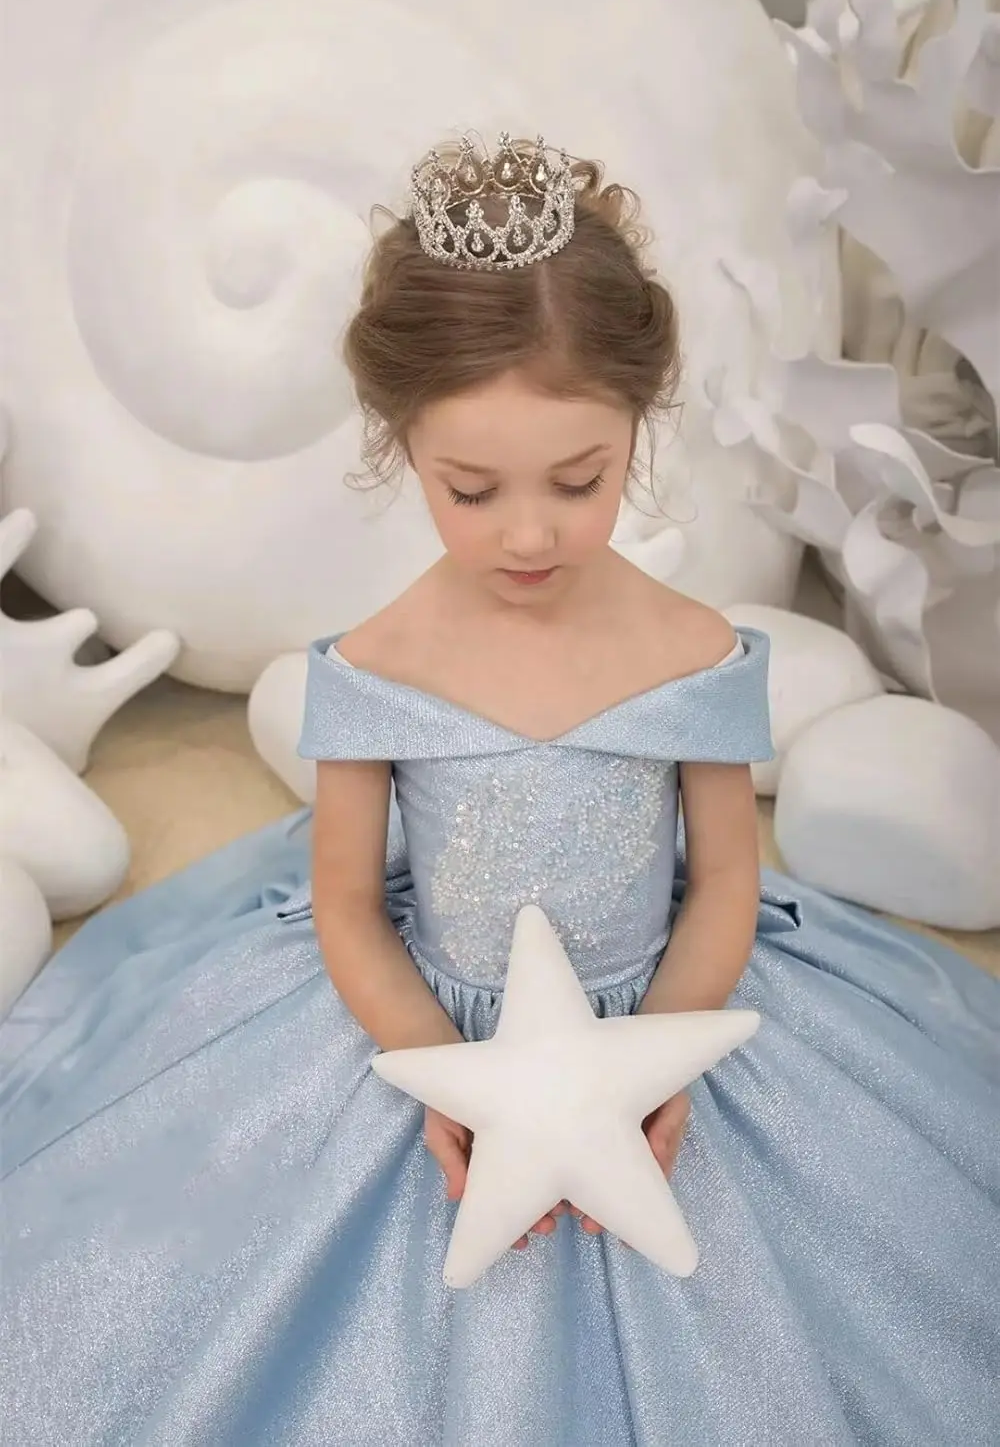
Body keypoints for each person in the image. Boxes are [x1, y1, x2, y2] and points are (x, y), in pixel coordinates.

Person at [1, 133, 997, 1447]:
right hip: (427, 1018)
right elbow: (348, 905)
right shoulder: (374, 667)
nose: (528, 535)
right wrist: (448, 1074)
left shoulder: (692, 653)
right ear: (399, 445)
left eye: (577, 483)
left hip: (660, 998)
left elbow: (727, 879)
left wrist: (658, 1060)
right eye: (471, 491)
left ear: (636, 431)